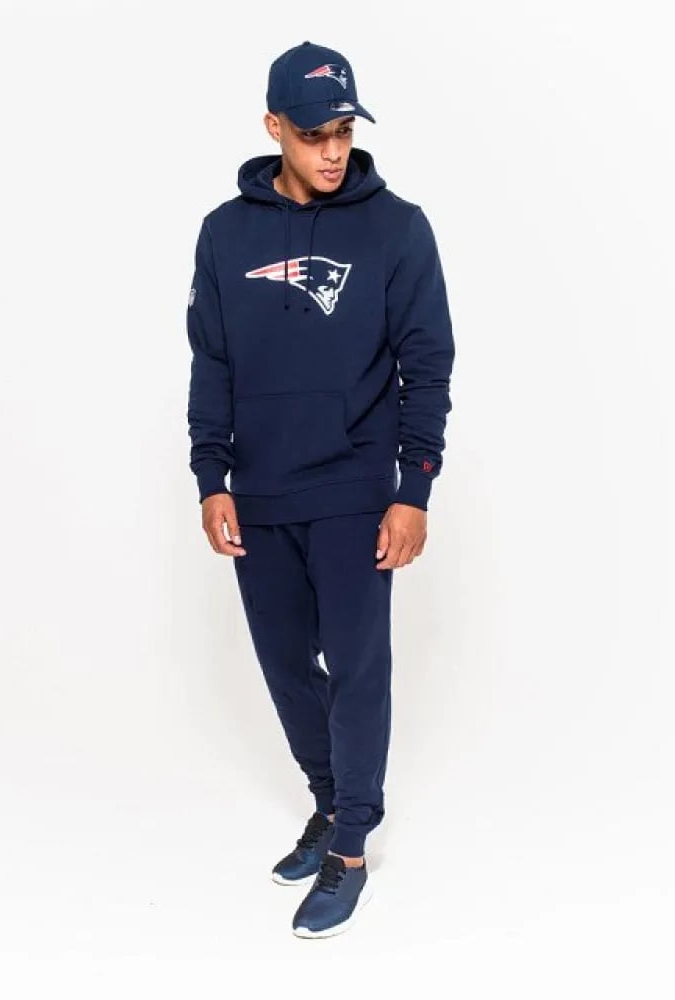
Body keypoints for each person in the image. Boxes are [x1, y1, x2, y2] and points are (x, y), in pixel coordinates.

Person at [184, 40, 455, 938]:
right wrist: (211, 476)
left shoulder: (397, 229)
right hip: (259, 492)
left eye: (343, 130)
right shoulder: (225, 233)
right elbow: (212, 361)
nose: (333, 151)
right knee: (284, 667)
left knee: (359, 667)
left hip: (352, 488)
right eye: (313, 135)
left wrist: (413, 489)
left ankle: (352, 847)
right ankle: (329, 802)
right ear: (274, 128)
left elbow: (428, 364)